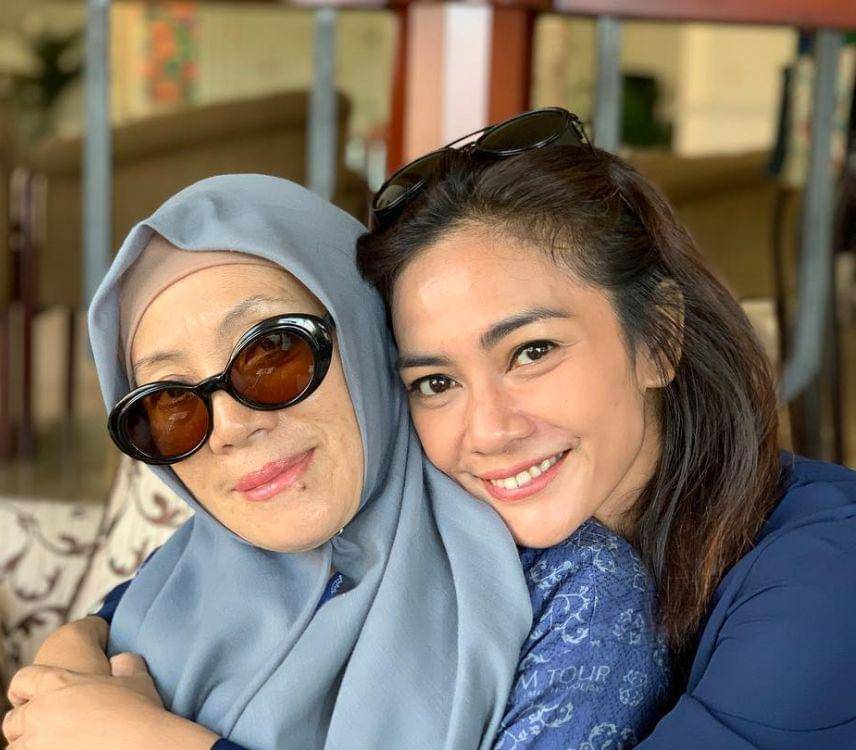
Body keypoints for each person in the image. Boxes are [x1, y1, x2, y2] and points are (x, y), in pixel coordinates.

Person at [3, 174, 670, 750]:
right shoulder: (179, 580)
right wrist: (71, 648)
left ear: (369, 340)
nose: (230, 427)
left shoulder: (575, 596)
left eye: (272, 353)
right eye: (171, 400)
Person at [355, 106, 856, 749]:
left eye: (531, 351)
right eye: (436, 382)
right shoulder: (482, 573)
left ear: (658, 339)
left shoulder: (826, 578)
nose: (487, 430)